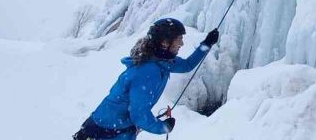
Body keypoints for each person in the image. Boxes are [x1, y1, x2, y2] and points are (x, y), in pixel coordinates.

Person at [73, 18, 219, 140]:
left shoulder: (162, 62)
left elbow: (186, 65)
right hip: (105, 133)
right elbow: (139, 115)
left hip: (115, 129)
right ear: (164, 43)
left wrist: (206, 44)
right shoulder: (148, 72)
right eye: (179, 39)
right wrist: (162, 127)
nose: (181, 43)